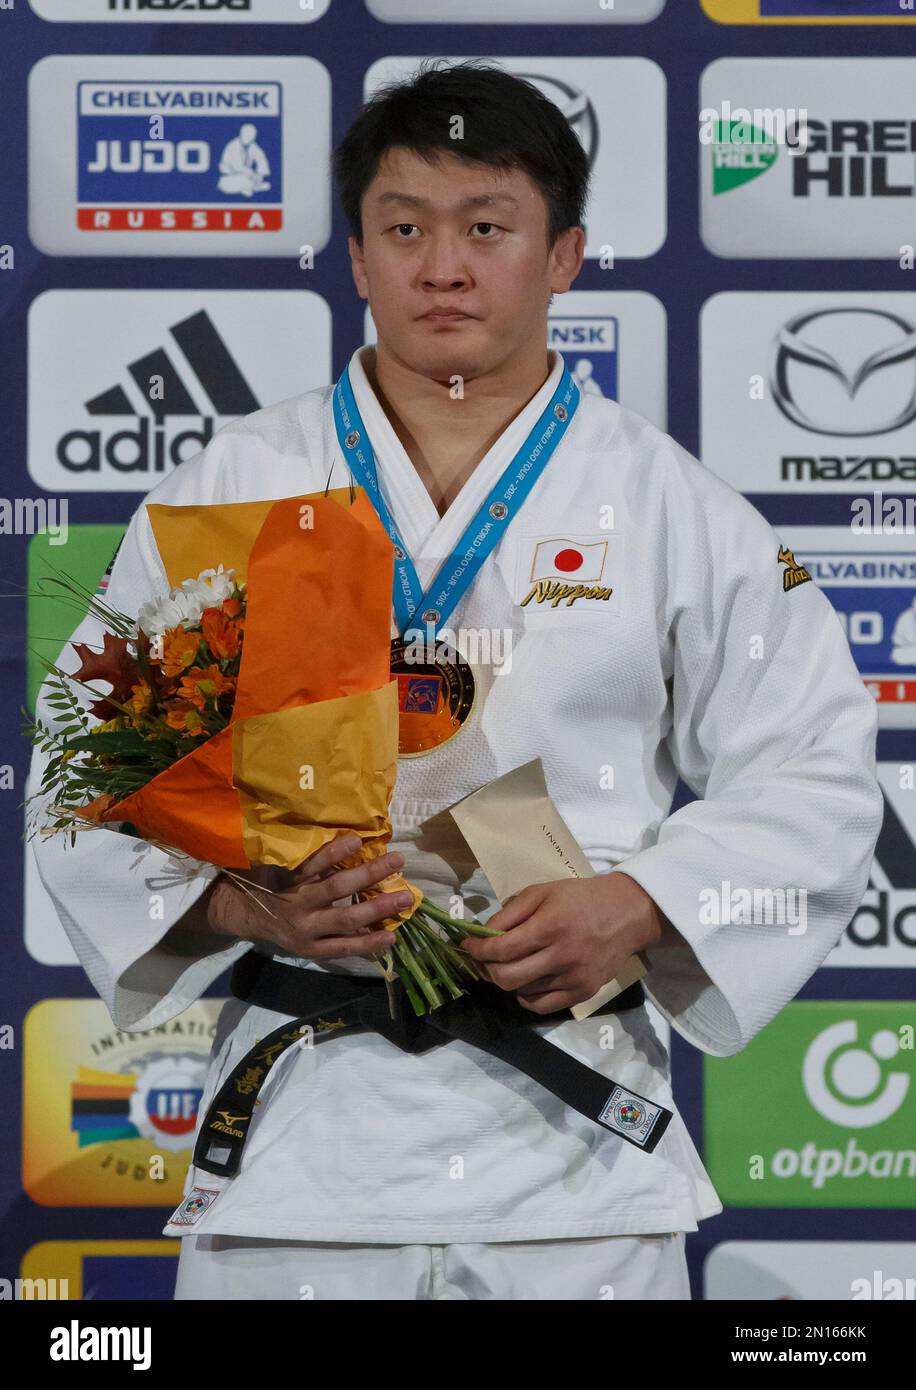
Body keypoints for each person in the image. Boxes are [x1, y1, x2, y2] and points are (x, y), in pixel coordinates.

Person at [30, 60, 883, 1302]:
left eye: (487, 226)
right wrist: (248, 910)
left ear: (565, 257)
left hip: (577, 1152)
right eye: (404, 227)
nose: (444, 265)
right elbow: (86, 771)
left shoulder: (667, 504)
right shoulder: (238, 479)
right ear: (356, 257)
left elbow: (815, 767)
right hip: (306, 1142)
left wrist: (638, 900)